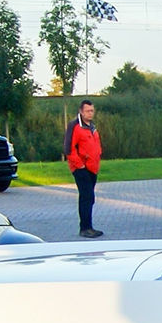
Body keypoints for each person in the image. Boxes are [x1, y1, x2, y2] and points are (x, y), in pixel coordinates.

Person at [65, 100, 104, 238]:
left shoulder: (92, 127)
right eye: (88, 111)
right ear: (81, 111)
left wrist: (98, 154)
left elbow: (96, 145)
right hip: (81, 168)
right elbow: (68, 149)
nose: (90, 113)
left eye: (92, 110)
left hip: (93, 168)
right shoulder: (74, 126)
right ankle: (85, 228)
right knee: (86, 197)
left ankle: (89, 226)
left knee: (90, 197)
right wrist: (80, 165)